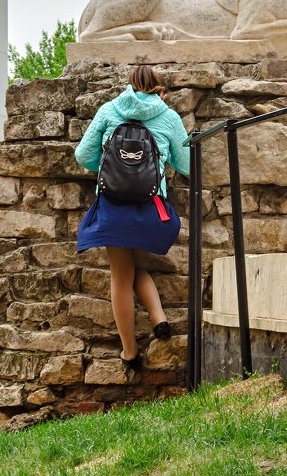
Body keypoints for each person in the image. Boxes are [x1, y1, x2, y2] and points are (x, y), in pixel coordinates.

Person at [74, 65, 190, 370]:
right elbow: (188, 164)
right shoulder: (168, 117)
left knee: (120, 275)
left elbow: (83, 156)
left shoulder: (109, 110)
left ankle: (129, 352)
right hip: (151, 206)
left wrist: (112, 169)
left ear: (130, 86)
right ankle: (159, 318)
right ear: (159, 89)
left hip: (113, 205)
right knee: (133, 267)